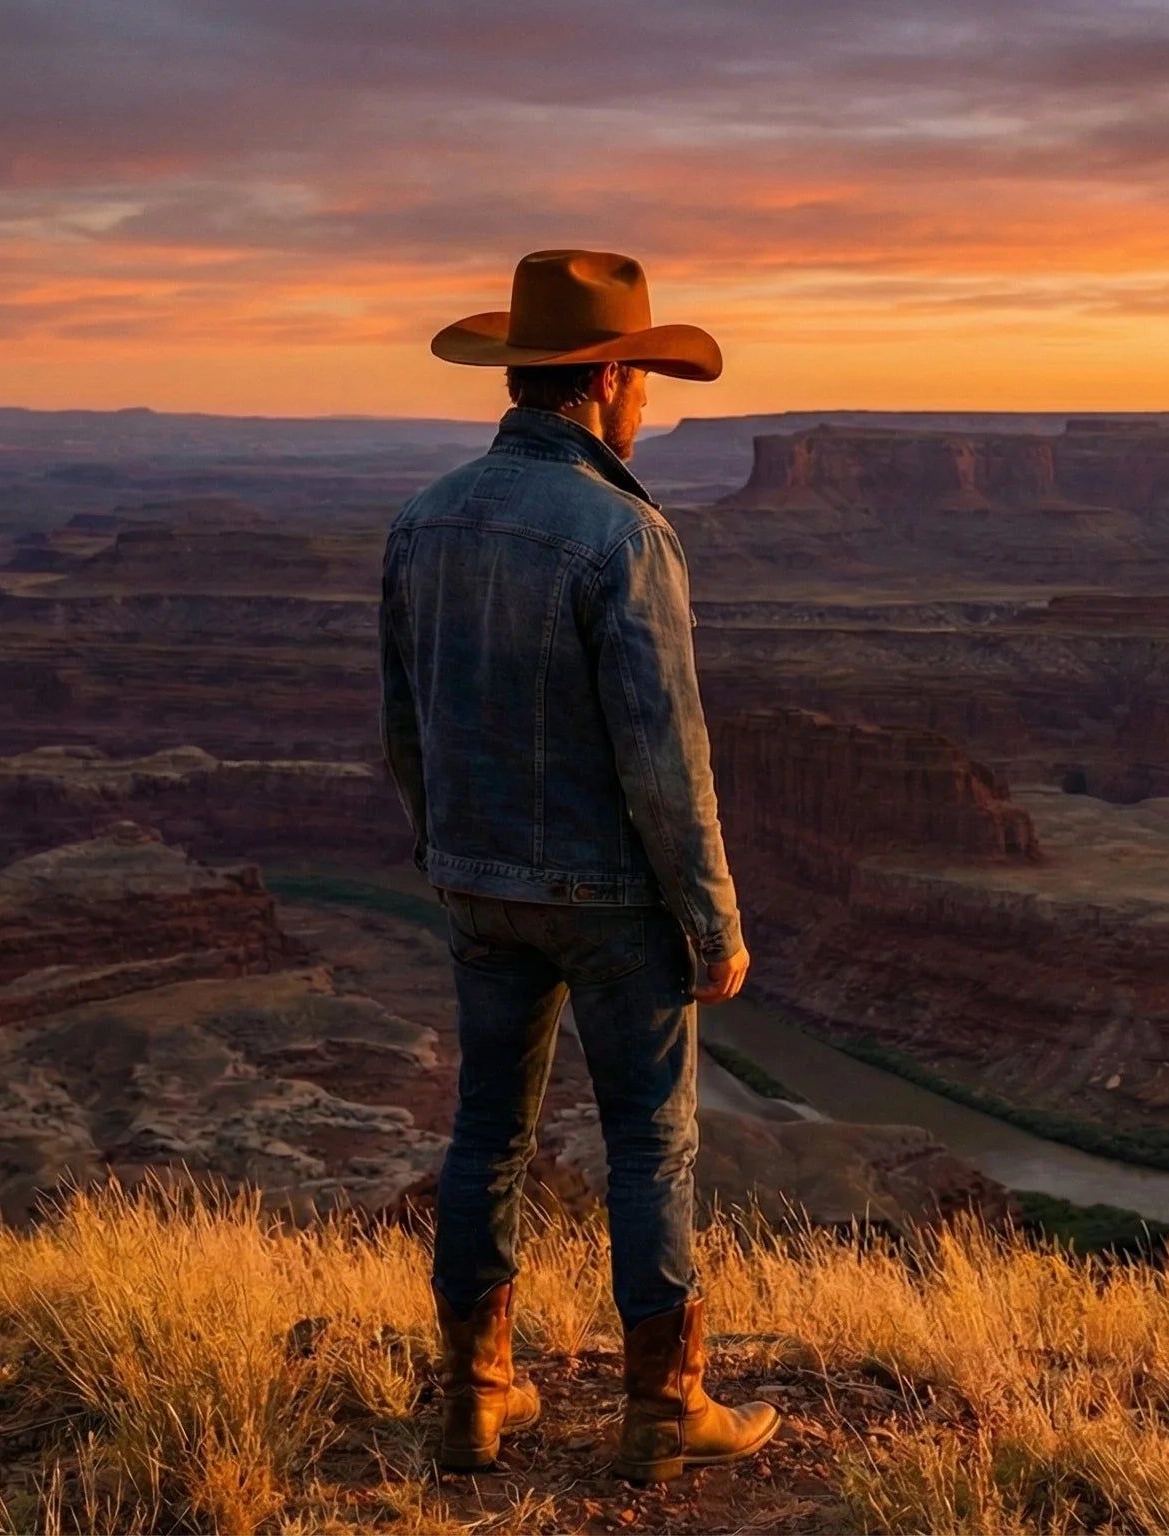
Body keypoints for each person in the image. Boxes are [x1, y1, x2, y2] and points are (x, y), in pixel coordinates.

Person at [379, 249, 775, 1481]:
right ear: (605, 380)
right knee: (649, 1148)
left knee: (486, 1133)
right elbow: (666, 756)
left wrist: (450, 854)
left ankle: (474, 1399)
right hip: (609, 899)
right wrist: (711, 920)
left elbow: (407, 726)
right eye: (645, 381)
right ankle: (665, 1414)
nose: (648, 405)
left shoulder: (422, 519)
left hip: (476, 879)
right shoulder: (622, 535)